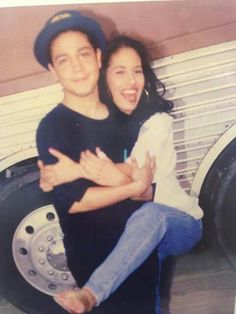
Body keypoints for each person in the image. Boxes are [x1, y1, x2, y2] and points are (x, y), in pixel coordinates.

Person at [38, 34, 203, 314]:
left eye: (137, 71)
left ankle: (92, 293)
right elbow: (130, 185)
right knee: (148, 299)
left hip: (178, 222)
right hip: (138, 235)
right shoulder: (107, 125)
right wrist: (128, 184)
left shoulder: (156, 123)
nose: (132, 81)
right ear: (105, 79)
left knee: (151, 214)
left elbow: (140, 186)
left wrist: (75, 171)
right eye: (121, 72)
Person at [35, 10, 159, 314]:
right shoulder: (53, 127)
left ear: (99, 58)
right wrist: (134, 184)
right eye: (64, 60)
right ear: (53, 70)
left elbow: (152, 191)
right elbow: (75, 201)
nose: (77, 67)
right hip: (94, 260)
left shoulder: (125, 120)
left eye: (83, 55)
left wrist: (139, 185)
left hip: (141, 251)